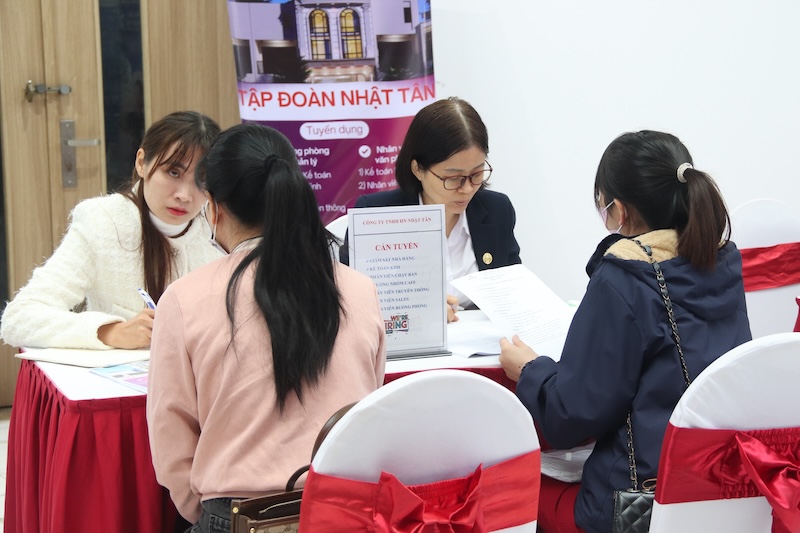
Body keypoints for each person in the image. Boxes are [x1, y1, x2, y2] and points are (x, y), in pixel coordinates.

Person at [499, 130, 751, 533]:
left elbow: (571, 418)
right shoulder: (722, 263)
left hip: (639, 503)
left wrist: (530, 370)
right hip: (722, 488)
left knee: (506, 488)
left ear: (619, 211)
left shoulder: (624, 280)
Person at [146, 123, 386, 530]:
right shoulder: (359, 289)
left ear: (214, 209)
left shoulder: (183, 300)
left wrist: (211, 515)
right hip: (347, 513)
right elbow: (368, 406)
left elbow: (171, 444)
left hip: (237, 515)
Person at [0, 111, 222, 350]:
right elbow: (19, 318)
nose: (184, 195)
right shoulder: (102, 222)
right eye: (173, 172)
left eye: (201, 180)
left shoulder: (222, 228)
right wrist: (110, 331)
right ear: (141, 163)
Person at [340, 97, 521, 321]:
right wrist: (420, 311)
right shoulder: (375, 214)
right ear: (418, 169)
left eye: (476, 174)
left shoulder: (497, 210)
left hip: (484, 342)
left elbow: (513, 292)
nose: (467, 189)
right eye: (453, 178)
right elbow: (351, 304)